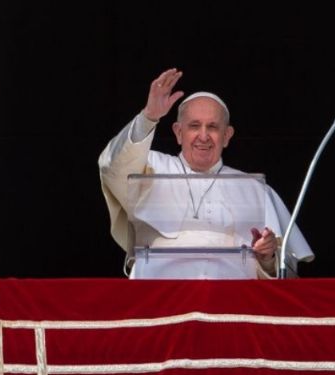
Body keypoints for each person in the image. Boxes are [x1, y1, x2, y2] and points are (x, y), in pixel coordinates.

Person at [99, 68, 314, 278]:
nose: (203, 136)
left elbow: (285, 270)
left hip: (232, 300)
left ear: (227, 136)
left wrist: (267, 257)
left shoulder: (254, 188)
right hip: (160, 296)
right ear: (178, 132)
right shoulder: (149, 166)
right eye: (194, 126)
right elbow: (113, 167)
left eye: (212, 127)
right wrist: (149, 117)